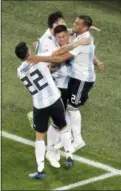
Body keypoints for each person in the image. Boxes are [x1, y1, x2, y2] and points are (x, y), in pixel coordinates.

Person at [27, 15, 104, 154]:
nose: (73, 24)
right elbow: (67, 35)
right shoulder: (80, 36)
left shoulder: (83, 41)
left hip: (83, 79)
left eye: (76, 23)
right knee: (67, 108)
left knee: (72, 108)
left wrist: (38, 58)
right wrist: (40, 41)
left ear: (84, 27)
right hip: (75, 78)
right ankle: (66, 140)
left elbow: (62, 56)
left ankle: (78, 140)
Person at [15, 42, 74, 180]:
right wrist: (75, 44)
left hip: (39, 106)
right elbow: (59, 52)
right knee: (63, 126)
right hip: (54, 100)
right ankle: (69, 156)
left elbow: (37, 72)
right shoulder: (40, 59)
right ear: (28, 50)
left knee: (40, 137)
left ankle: (40, 170)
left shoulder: (19, 71)